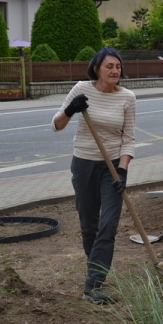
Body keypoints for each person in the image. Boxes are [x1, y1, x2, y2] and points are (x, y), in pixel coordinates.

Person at [51, 47, 136, 305]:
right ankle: (95, 270)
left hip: (112, 168)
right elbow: (55, 124)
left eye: (118, 66)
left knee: (108, 224)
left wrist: (122, 169)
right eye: (109, 66)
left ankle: (93, 286)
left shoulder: (128, 97)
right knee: (89, 225)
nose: (115, 71)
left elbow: (129, 138)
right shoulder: (81, 89)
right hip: (84, 164)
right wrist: (71, 110)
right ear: (97, 69)